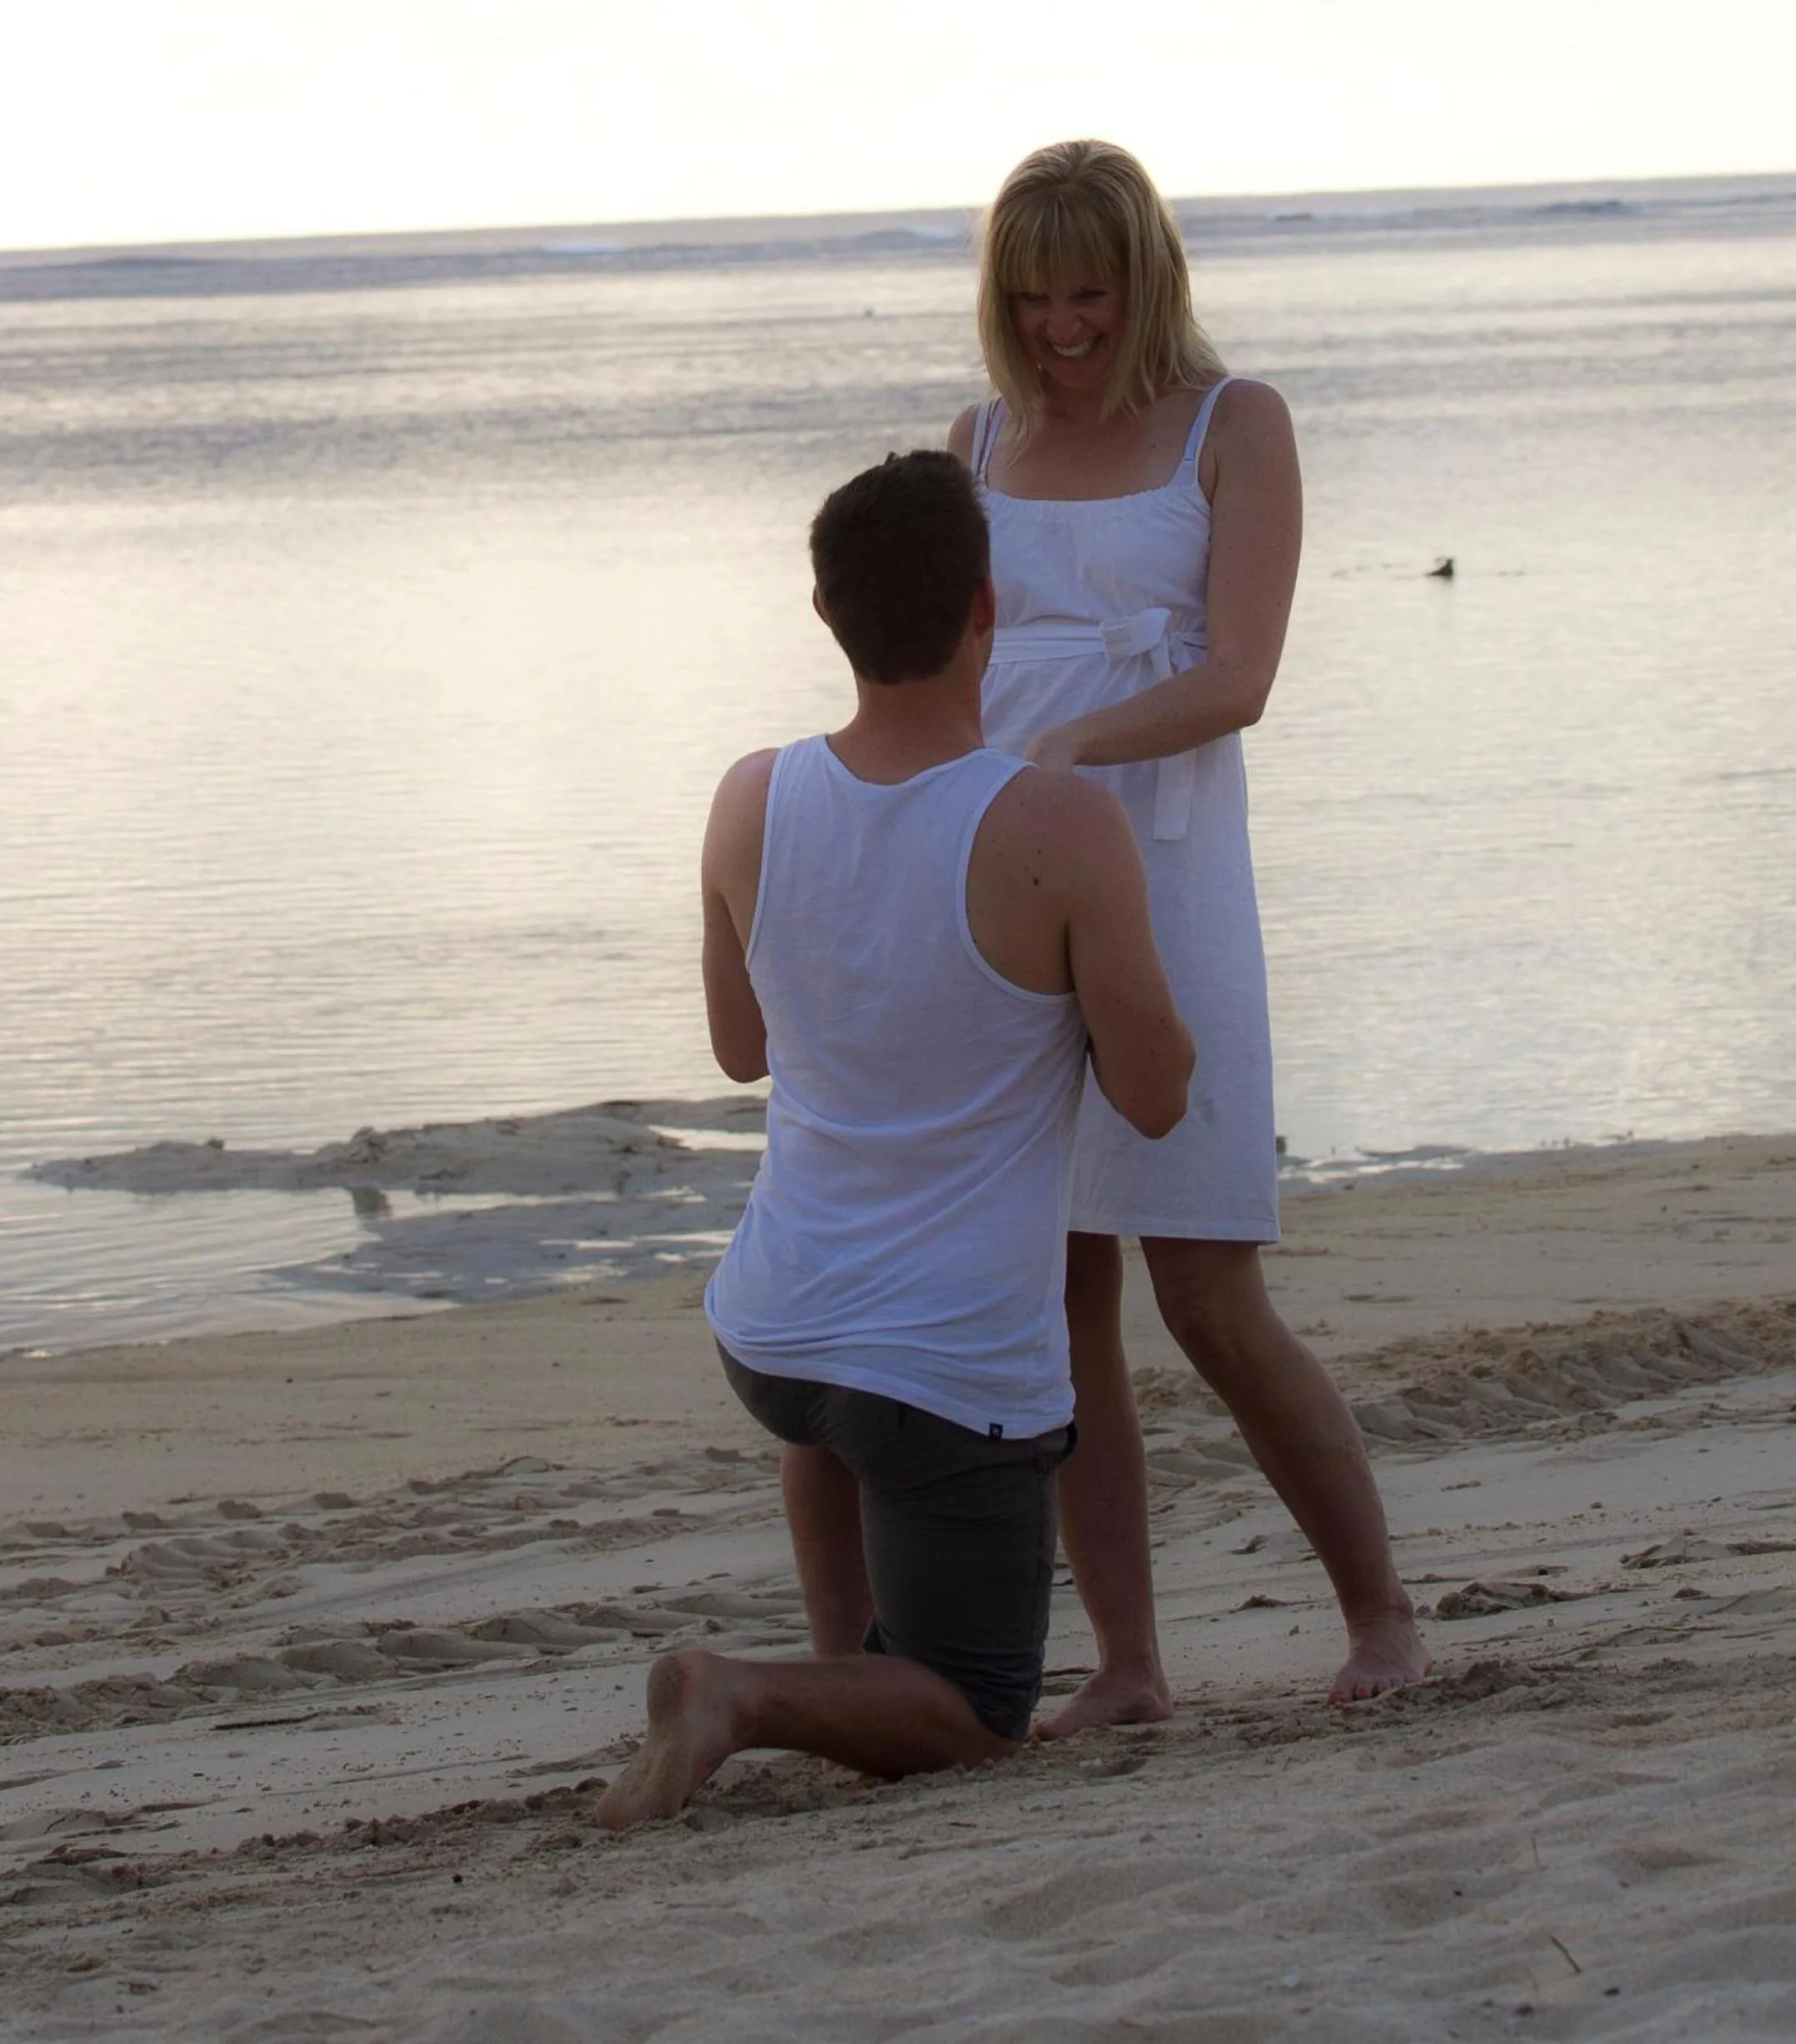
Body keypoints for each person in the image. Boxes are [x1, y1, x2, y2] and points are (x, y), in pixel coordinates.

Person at [597, 451, 1193, 1830]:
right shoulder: (1055, 821)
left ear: (827, 612)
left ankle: (815, 1696)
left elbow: (743, 1050)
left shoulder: (752, 794)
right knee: (978, 1714)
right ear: (988, 610)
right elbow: (1156, 1095)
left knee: (851, 1447)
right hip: (940, 1361)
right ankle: (739, 1694)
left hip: (778, 1328)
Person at [946, 138, 1430, 1726]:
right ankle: (1130, 1667)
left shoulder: (1238, 424)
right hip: (1009, 890)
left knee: (1210, 1289)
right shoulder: (975, 442)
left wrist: (1080, 750)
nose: (1065, 327)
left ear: (1146, 280)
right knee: (1061, 1295)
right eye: (1036, 299)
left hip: (1164, 872)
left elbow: (1241, 677)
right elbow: (936, 691)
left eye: (1090, 293)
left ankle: (1382, 1619)